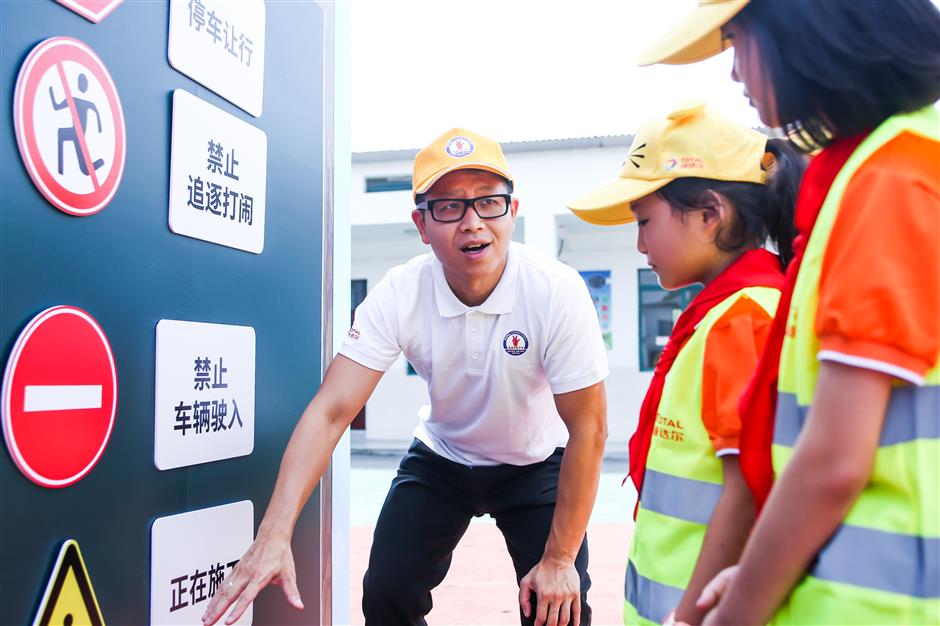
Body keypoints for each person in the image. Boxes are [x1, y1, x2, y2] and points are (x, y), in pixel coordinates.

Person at [202, 127, 610, 626]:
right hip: (443, 460)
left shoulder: (555, 291)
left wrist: (561, 560)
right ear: (421, 224)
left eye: (489, 203)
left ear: (513, 210)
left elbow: (588, 429)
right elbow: (331, 411)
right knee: (387, 593)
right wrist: (274, 534)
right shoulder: (401, 292)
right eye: (449, 207)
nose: (472, 224)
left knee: (558, 608)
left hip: (535, 464)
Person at [636, 1, 940, 624]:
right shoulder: (879, 169)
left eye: (738, 39)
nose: (734, 73)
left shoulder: (893, 177)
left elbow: (833, 461)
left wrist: (730, 612)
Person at [567, 101, 804, 625]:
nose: (639, 243)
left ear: (709, 215)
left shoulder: (742, 319)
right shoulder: (723, 311)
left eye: (645, 221)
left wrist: (691, 616)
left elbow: (747, 490)